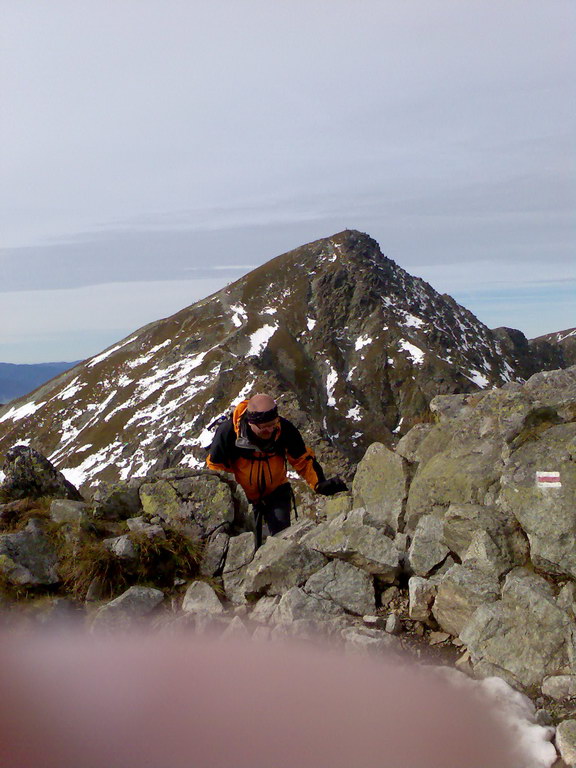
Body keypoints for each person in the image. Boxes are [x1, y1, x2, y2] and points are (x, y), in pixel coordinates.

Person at [206, 393, 347, 545]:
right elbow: (216, 469)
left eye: (273, 424)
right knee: (247, 546)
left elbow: (302, 460)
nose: (270, 430)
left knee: (282, 541)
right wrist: (231, 499)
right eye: (264, 427)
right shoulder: (228, 433)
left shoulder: (284, 429)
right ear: (251, 423)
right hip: (245, 499)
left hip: (277, 492)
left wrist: (319, 484)